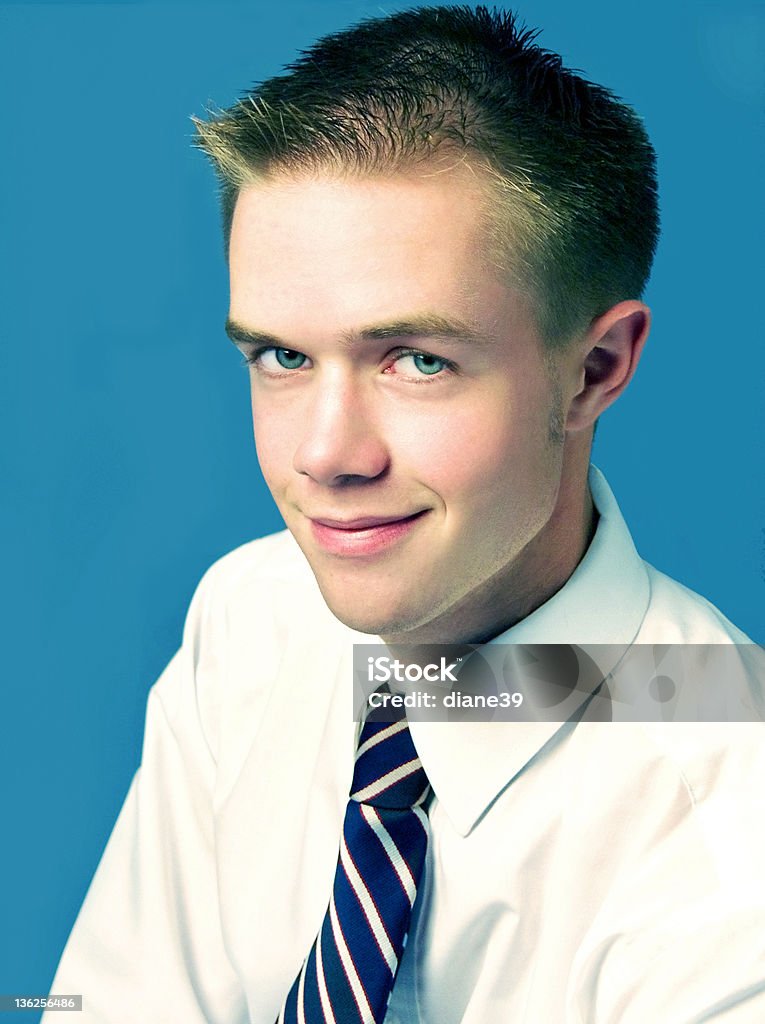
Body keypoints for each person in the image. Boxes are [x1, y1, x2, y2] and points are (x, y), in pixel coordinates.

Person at [44, 5, 764, 1022]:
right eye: (282, 357)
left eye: (419, 360)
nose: (326, 455)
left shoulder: (733, 842)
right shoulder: (254, 618)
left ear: (594, 370)